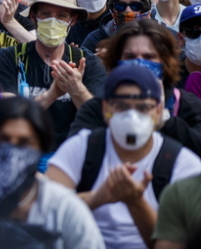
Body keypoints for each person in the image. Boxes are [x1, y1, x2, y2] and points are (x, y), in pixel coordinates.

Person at [48, 66, 201, 249]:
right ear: (105, 108)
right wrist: (97, 198)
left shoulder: (182, 164)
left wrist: (135, 202)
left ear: (158, 111)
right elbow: (45, 210)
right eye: (121, 106)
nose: (132, 116)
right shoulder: (83, 147)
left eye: (143, 107)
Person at [0, 97, 105, 249]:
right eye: (2, 140)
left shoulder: (64, 207)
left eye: (24, 143)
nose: (11, 151)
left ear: (41, 148)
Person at [0, 0, 106, 146]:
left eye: (61, 15)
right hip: (22, 149)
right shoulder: (9, 58)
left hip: (72, 153)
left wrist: (77, 89)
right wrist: (51, 95)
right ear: (33, 17)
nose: (53, 21)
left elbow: (100, 119)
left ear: (72, 21)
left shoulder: (86, 62)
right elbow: (5, 117)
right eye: (46, 14)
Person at [69, 19, 201, 156]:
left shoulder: (186, 105)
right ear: (115, 62)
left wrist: (164, 119)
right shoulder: (98, 107)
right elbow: (75, 154)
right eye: (130, 56)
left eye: (149, 56)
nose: (138, 63)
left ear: (165, 61)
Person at [82, 0, 152, 54]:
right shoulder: (95, 39)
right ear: (112, 9)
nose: (127, 10)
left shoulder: (163, 37)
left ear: (146, 8)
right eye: (120, 6)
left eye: (135, 5)